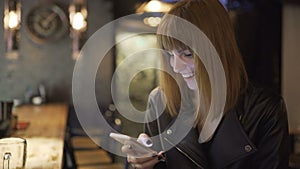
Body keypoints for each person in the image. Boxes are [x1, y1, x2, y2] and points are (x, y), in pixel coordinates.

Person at [122, 0, 290, 168]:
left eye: (187, 54)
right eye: (170, 55)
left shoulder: (264, 110)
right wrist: (140, 163)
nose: (176, 67)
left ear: (218, 50)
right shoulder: (160, 100)